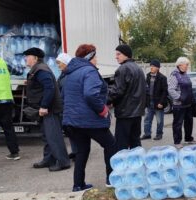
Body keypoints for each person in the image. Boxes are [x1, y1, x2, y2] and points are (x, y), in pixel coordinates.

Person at [62, 44, 117, 191]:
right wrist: (102, 110)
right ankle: (111, 180)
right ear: (90, 57)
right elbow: (90, 94)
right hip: (90, 121)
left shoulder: (70, 73)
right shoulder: (89, 71)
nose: (97, 59)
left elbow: (64, 96)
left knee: (82, 152)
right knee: (111, 146)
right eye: (95, 56)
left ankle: (78, 185)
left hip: (72, 121)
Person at [23, 47, 70, 172]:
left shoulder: (41, 70)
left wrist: (44, 106)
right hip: (45, 108)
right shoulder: (37, 70)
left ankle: (63, 161)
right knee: (47, 136)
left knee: (54, 136)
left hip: (50, 109)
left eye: (28, 56)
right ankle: (49, 159)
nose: (26, 59)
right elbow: (42, 86)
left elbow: (49, 88)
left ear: (35, 58)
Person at [108, 44, 147, 151]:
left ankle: (122, 167)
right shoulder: (138, 69)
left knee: (121, 144)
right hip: (137, 113)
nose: (116, 57)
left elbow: (117, 91)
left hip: (125, 113)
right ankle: (137, 165)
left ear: (126, 55)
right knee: (135, 142)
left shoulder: (123, 69)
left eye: (118, 54)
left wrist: (106, 100)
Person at [168, 57, 196, 149]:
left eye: (188, 65)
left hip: (188, 104)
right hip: (179, 105)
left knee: (189, 122)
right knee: (178, 123)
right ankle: (177, 141)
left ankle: (188, 138)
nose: (187, 66)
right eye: (186, 64)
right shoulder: (174, 75)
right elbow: (171, 89)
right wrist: (180, 98)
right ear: (180, 64)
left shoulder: (185, 74)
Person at [56, 53, 77, 160]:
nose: (58, 65)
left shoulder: (67, 75)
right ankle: (76, 151)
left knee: (74, 131)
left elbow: (64, 93)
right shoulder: (64, 74)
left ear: (65, 63)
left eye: (59, 63)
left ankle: (78, 153)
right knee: (71, 132)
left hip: (68, 108)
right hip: (66, 107)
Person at [141, 59, 168, 141]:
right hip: (149, 102)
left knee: (159, 120)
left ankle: (159, 134)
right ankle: (147, 134)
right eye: (151, 66)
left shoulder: (162, 78)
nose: (151, 68)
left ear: (158, 68)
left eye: (153, 66)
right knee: (147, 119)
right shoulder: (148, 76)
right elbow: (145, 90)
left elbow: (165, 91)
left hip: (158, 102)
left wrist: (161, 102)